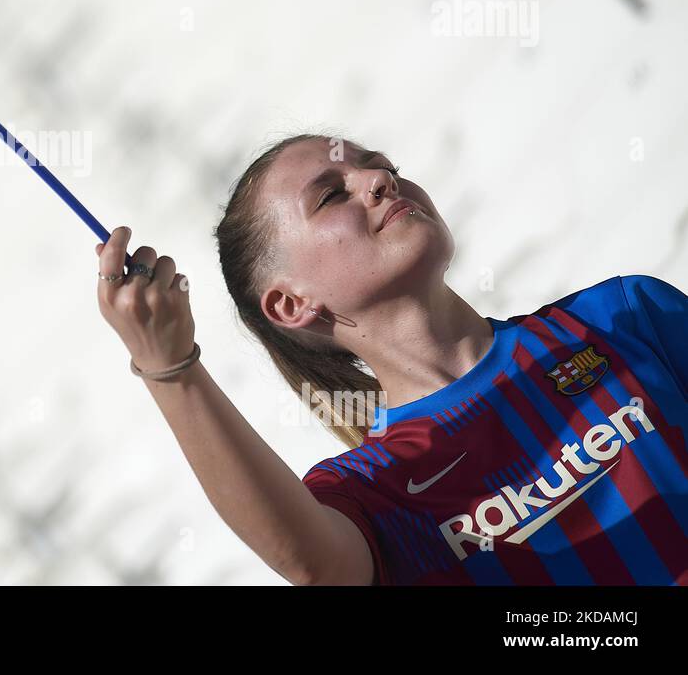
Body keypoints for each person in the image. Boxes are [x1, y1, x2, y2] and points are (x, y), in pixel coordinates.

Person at [94, 133, 688, 584]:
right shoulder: (371, 492)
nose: (378, 179)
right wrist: (170, 368)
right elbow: (312, 564)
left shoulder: (622, 315)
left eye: (379, 166)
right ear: (292, 303)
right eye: (331, 195)